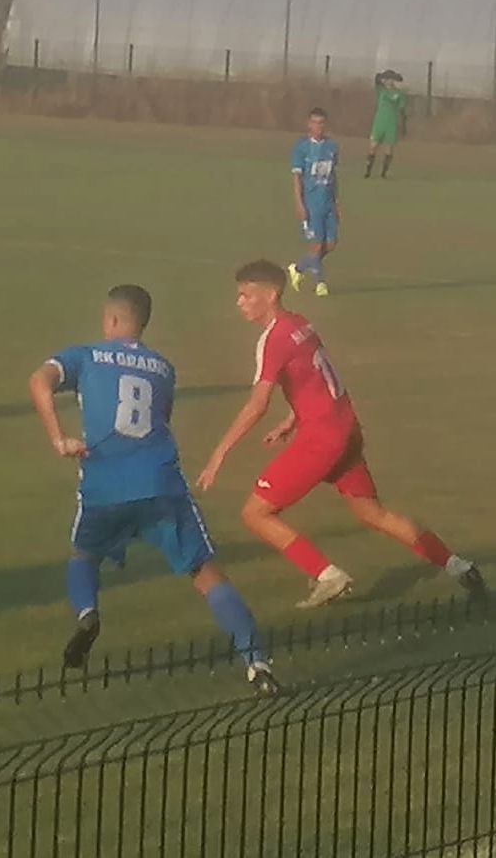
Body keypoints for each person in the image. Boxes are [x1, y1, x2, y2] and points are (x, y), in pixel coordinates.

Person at [29, 285, 277, 695]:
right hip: (161, 484)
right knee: (207, 574)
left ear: (111, 319)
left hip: (104, 485)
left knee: (85, 555)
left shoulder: (85, 355)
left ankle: (88, 613)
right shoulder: (164, 368)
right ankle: (257, 663)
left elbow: (39, 381)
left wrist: (59, 439)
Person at [197, 260, 484, 608]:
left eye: (246, 295)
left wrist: (219, 454)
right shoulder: (300, 324)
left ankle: (327, 575)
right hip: (346, 429)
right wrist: (292, 418)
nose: (239, 302)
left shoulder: (273, 339)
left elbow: (257, 405)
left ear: (270, 295)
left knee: (255, 514)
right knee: (372, 513)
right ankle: (458, 566)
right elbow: (318, 378)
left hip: (322, 439)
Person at [286, 108, 339, 298]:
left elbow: (333, 176)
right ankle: (320, 283)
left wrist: (337, 201)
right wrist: (299, 203)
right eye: (315, 122)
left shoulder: (332, 147)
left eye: (321, 123)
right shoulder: (301, 148)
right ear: (309, 124)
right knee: (316, 245)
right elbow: (297, 178)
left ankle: (298, 268)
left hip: (328, 202)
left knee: (330, 245)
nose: (318, 126)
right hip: (312, 203)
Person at [365, 70, 406, 179]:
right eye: (388, 79)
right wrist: (382, 75)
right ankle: (368, 171)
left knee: (389, 149)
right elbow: (376, 80)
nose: (389, 81)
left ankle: (384, 173)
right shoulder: (381, 90)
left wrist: (403, 125)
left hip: (391, 123)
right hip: (379, 122)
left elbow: (402, 109)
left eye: (391, 79)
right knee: (373, 147)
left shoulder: (399, 93)